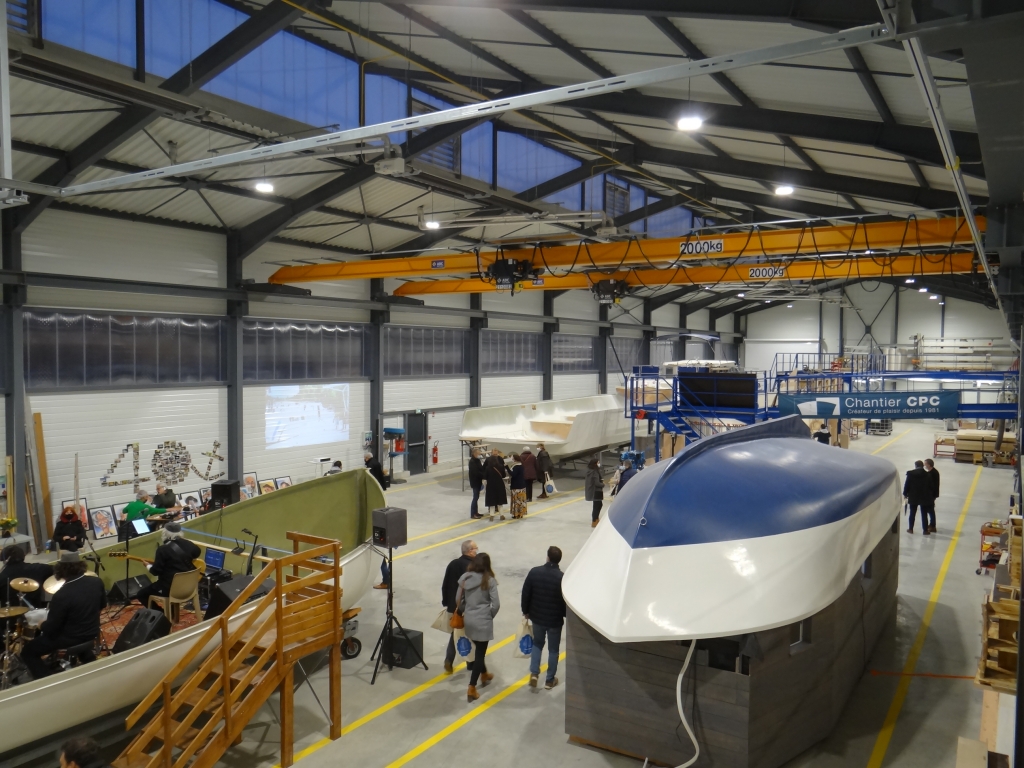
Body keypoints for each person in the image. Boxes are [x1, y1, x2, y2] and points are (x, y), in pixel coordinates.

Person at [21, 552, 106, 680]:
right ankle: (91, 664)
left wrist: (41, 624)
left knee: (28, 652)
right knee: (76, 631)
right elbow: (102, 606)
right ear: (81, 566)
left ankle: (46, 681)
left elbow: (51, 628)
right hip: (92, 631)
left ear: (61, 570)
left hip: (70, 637)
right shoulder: (96, 582)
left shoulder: (61, 595)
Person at [521, 546, 566, 690]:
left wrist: (526, 611)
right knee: (553, 650)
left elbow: (526, 593)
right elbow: (565, 601)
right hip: (554, 621)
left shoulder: (535, 572)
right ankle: (549, 680)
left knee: (537, 644)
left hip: (537, 617)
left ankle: (534, 673)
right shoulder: (562, 578)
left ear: (547, 557)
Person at [457, 552, 499, 702]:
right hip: (483, 621)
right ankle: (471, 687)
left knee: (477, 649)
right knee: (480, 654)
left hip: (469, 620)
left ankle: (485, 674)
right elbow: (496, 604)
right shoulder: (490, 581)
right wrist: (489, 615)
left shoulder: (465, 579)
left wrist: (466, 611)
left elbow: (458, 600)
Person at [134, 523, 201, 609]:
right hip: (189, 588)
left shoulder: (162, 549)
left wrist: (147, 566)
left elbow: (155, 571)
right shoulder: (189, 544)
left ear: (164, 533)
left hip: (169, 590)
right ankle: (171, 612)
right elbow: (197, 553)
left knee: (141, 594)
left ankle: (161, 615)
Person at [441, 539, 478, 674]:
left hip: (453, 607)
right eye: (475, 548)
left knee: (455, 633)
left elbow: (445, 584)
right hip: (467, 608)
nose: (477, 550)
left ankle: (448, 660)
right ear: (469, 551)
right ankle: (471, 663)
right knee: (471, 635)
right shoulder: (473, 567)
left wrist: (446, 602)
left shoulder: (453, 564)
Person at [903, 460, 932, 535]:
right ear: (922, 466)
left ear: (915, 466)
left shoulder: (911, 474)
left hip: (913, 496)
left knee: (912, 513)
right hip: (924, 496)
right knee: (924, 513)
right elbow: (930, 486)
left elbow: (907, 485)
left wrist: (905, 494)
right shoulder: (927, 475)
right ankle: (925, 530)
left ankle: (910, 529)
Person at [483, 449, 508, 520]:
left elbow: (485, 476)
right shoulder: (501, 466)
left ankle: (491, 515)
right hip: (499, 484)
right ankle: (502, 515)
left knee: (492, 500)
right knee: (500, 500)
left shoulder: (488, 468)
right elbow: (503, 475)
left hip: (491, 485)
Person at [585, 458, 604, 528]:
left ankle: (595, 519)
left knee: (597, 505)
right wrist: (603, 484)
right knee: (597, 505)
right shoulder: (595, 472)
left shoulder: (589, 471)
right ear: (595, 464)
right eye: (598, 462)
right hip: (596, 491)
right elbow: (597, 483)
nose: (599, 464)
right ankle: (595, 520)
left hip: (593, 491)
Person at [924, 458, 940, 533]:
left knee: (930, 510)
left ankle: (933, 525)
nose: (924, 465)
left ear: (929, 465)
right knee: (930, 510)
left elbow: (933, 486)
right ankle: (931, 524)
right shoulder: (932, 472)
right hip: (931, 495)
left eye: (925, 464)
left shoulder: (932, 474)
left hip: (931, 495)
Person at [468, 448, 485, 520]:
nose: (479, 455)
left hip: (478, 481)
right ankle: (473, 514)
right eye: (478, 453)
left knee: (477, 497)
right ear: (474, 454)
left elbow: (481, 469)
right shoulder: (472, 462)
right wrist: (484, 476)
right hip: (475, 482)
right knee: (475, 497)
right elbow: (476, 472)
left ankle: (476, 512)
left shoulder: (477, 460)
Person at [509, 453, 527, 519]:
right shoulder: (521, 465)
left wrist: (507, 468)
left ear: (514, 459)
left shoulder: (516, 466)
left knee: (516, 500)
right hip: (522, 485)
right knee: (521, 500)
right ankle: (521, 513)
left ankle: (516, 514)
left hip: (516, 485)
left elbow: (513, 475)